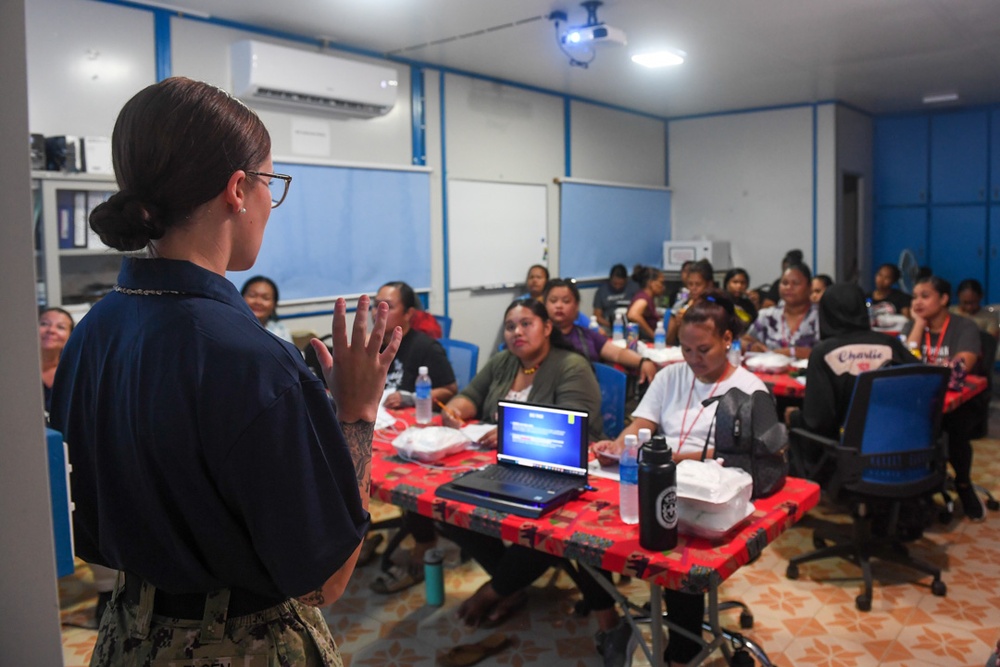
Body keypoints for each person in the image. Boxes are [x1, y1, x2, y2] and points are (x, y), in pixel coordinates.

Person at [48, 77, 402, 665]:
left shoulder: (92, 333)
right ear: (239, 189)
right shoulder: (250, 359)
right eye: (270, 183)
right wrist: (357, 412)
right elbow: (323, 582)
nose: (270, 203)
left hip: (125, 636)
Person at [440, 298, 633, 664]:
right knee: (449, 507)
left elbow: (569, 425)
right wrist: (457, 410)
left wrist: (511, 432)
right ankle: (510, 586)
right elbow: (472, 394)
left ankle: (497, 590)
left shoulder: (571, 366)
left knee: (541, 526)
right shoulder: (504, 361)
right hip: (501, 464)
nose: (517, 332)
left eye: (526, 324)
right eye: (510, 326)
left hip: (560, 469)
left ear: (546, 327)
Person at [592, 291, 768, 666]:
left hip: (708, 494)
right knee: (587, 534)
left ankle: (682, 648)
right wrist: (619, 444)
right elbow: (642, 424)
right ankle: (611, 618)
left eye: (703, 349)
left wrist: (668, 457)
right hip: (653, 473)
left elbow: (737, 458)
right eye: (685, 350)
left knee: (676, 553)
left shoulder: (750, 390)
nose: (693, 360)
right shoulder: (672, 374)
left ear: (727, 339)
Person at [786, 283, 917, 480]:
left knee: (792, 417)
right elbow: (923, 378)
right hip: (898, 442)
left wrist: (795, 416)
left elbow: (818, 421)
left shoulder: (824, 353)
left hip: (847, 448)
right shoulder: (890, 344)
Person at [903, 275, 985, 520]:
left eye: (925, 296)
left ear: (944, 299)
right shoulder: (913, 326)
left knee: (954, 429)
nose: (918, 302)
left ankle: (963, 484)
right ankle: (915, 490)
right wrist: (918, 324)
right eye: (915, 297)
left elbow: (962, 366)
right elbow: (906, 363)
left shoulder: (963, 327)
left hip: (958, 402)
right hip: (920, 400)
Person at [544, 278, 657, 384]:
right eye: (553, 301)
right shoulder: (539, 337)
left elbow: (618, 354)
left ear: (576, 306)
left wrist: (642, 362)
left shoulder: (587, 335)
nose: (559, 306)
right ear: (545, 305)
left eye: (566, 301)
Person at [376, 281, 457, 409]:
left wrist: (411, 398)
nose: (378, 313)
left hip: (410, 417)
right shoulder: (372, 346)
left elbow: (449, 391)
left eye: (388, 307)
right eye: (376, 306)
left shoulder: (426, 347)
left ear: (408, 313)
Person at [744, 262, 819, 359]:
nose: (789, 287)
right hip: (769, 372)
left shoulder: (821, 315)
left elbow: (831, 351)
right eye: (784, 283)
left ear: (809, 287)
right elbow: (743, 341)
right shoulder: (767, 315)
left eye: (795, 283)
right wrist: (751, 346)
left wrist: (793, 352)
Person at [666, 259, 715, 344]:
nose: (693, 288)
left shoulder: (714, 305)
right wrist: (678, 325)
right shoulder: (681, 304)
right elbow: (669, 341)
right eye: (690, 284)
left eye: (698, 284)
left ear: (709, 284)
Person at [38, 307, 74, 413]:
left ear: (70, 336)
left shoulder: (75, 372)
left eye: (60, 327)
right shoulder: (16, 372)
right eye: (44, 324)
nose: (51, 330)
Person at [241, 275, 293, 343]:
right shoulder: (230, 327)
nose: (258, 302)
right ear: (241, 298)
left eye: (266, 298)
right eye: (252, 295)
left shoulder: (280, 331)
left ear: (274, 304)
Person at [593, 263, 639, 330]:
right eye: (615, 284)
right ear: (610, 279)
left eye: (621, 284)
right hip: (608, 324)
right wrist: (613, 326)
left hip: (630, 324)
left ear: (626, 280)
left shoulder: (634, 288)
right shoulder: (602, 291)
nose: (617, 287)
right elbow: (597, 316)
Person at [627, 265, 666, 341]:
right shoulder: (643, 298)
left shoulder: (648, 298)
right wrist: (653, 335)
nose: (663, 287)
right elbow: (633, 315)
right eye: (661, 283)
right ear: (651, 283)